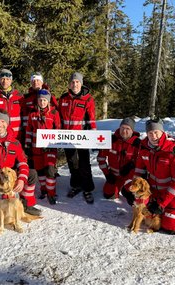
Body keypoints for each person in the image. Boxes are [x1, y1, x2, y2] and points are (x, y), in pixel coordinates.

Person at [133, 118, 175, 234]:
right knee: (145, 218)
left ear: (162, 132)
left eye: (156, 132)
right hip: (154, 191)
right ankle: (163, 209)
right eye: (150, 133)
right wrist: (135, 191)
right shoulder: (144, 147)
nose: (153, 136)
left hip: (173, 192)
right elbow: (139, 171)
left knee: (170, 227)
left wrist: (161, 204)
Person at [58, 72, 96, 204]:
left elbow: (91, 119)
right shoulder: (63, 98)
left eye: (77, 82)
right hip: (67, 137)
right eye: (73, 82)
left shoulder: (88, 99)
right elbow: (59, 118)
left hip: (82, 137)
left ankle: (87, 188)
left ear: (81, 83)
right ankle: (76, 185)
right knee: (72, 163)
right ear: (69, 84)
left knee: (84, 163)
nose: (75, 84)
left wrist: (94, 135)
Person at [25, 89, 61, 205]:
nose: (42, 102)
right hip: (36, 148)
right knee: (40, 171)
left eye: (45, 100)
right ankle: (44, 190)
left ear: (48, 101)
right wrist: (28, 146)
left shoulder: (54, 113)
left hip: (50, 147)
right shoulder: (32, 114)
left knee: (50, 170)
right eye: (40, 100)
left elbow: (58, 130)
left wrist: (56, 144)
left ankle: (51, 193)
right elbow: (29, 131)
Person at [97, 117, 140, 202]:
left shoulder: (137, 144)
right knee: (109, 195)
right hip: (113, 175)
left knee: (131, 195)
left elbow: (142, 164)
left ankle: (125, 188)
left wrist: (131, 166)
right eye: (122, 128)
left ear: (132, 130)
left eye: (128, 128)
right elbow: (101, 158)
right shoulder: (111, 140)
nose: (124, 131)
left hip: (129, 176)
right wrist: (107, 174)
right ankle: (117, 186)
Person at [0, 69, 23, 140]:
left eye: (8, 79)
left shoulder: (19, 96)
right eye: (2, 79)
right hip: (0, 133)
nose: (5, 81)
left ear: (11, 80)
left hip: (17, 134)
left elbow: (24, 115)